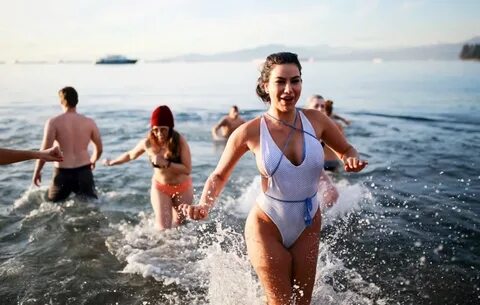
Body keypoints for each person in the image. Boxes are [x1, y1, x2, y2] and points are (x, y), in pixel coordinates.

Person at [181, 52, 367, 305]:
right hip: (267, 224)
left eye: (296, 80)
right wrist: (204, 205)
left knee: (302, 303)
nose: (289, 89)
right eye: (280, 81)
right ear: (265, 86)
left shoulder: (317, 121)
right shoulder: (250, 131)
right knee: (280, 302)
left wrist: (351, 159)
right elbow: (219, 174)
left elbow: (347, 149)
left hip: (308, 223)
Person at [103, 105, 193, 230]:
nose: (159, 133)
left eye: (163, 129)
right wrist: (113, 162)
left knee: (181, 225)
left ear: (170, 128)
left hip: (182, 188)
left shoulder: (180, 141)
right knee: (163, 229)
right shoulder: (148, 143)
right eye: (156, 129)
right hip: (161, 188)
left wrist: (166, 164)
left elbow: (187, 169)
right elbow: (130, 155)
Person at [32, 86, 103, 201]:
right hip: (84, 171)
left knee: (52, 205)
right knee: (90, 205)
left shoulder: (53, 122)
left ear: (61, 101)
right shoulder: (89, 122)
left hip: (62, 174)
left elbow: (44, 151)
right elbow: (99, 149)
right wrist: (93, 160)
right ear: (77, 101)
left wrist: (37, 171)